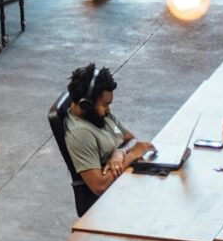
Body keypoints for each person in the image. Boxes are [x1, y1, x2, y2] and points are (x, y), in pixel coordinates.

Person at [64, 64, 155, 196]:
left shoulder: (99, 116)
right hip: (114, 195)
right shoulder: (81, 134)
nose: (108, 110)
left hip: (126, 179)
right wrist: (131, 155)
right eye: (105, 104)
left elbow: (130, 139)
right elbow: (99, 186)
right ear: (86, 104)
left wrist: (120, 152)